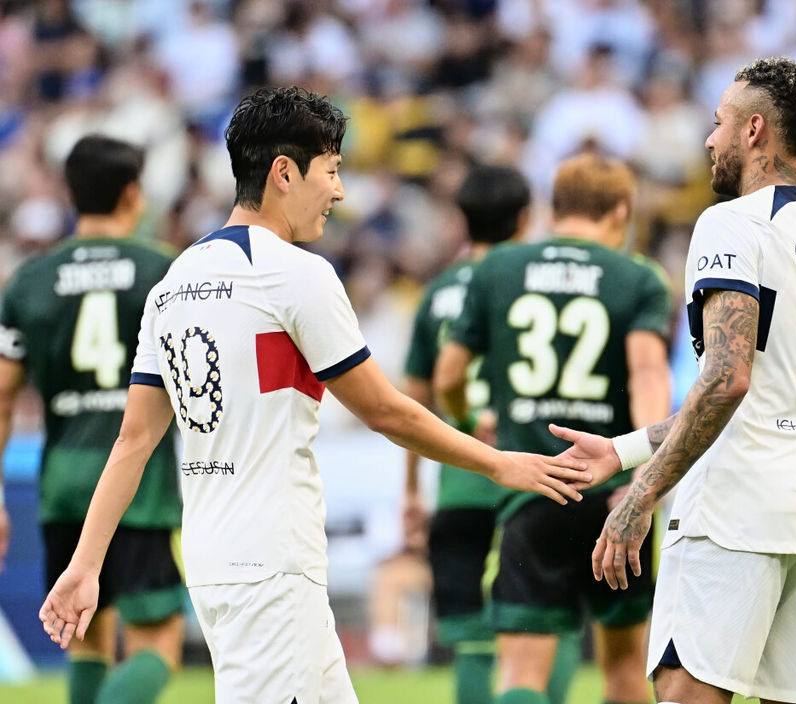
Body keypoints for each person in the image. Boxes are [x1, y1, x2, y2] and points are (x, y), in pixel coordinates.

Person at [38, 86, 591, 704]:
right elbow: (383, 409)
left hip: (220, 561)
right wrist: (500, 463)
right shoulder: (296, 273)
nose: (340, 191)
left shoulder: (174, 282)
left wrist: (86, 566)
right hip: (272, 565)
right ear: (283, 173)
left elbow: (134, 440)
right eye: (331, 171)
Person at [550, 57, 796, 704]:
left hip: (735, 514)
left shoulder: (732, 223)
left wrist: (643, 492)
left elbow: (726, 380)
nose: (708, 140)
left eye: (718, 123)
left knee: (686, 693)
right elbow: (762, 393)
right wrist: (624, 450)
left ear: (753, 130)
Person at [435, 153, 674, 704]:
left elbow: (449, 373)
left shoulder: (497, 270)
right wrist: (643, 475)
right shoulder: (638, 277)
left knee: (521, 673)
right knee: (622, 669)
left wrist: (473, 422)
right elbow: (647, 374)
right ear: (621, 210)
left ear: (552, 207)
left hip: (532, 487)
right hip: (613, 489)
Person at [0, 135, 185, 704]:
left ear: (71, 194)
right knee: (160, 645)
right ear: (133, 193)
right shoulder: (166, 271)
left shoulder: (29, 281)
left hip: (63, 480)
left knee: (85, 636)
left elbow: (4, 397)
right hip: (138, 481)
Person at [402, 164, 580, 704]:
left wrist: (412, 487)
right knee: (545, 616)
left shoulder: (436, 294)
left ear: (462, 219)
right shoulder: (541, 279)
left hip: (459, 478)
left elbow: (419, 396)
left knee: (472, 637)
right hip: (534, 472)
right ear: (527, 216)